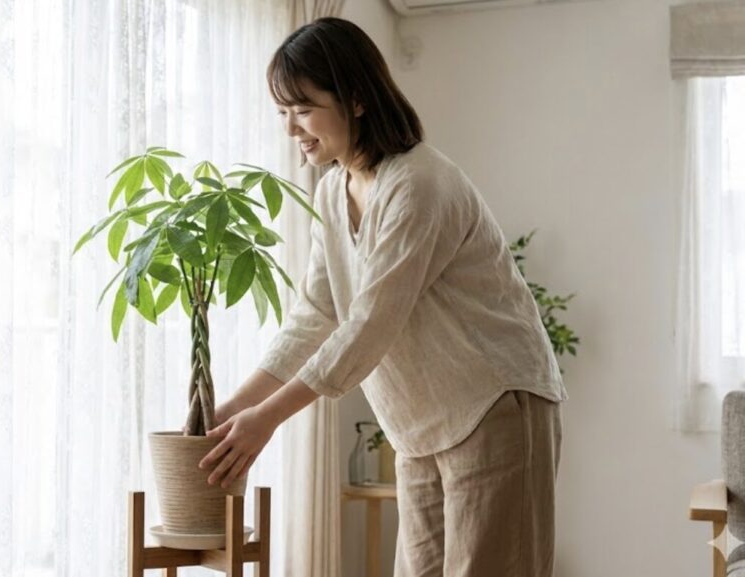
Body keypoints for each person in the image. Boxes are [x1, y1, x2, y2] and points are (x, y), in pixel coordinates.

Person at [197, 16, 568, 577]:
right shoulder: (331, 190)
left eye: (302, 109)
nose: (291, 128)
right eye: (282, 113)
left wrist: (267, 420)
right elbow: (318, 314)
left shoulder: (420, 184)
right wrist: (235, 410)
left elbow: (371, 323)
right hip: (418, 425)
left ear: (357, 100)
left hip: (492, 403)